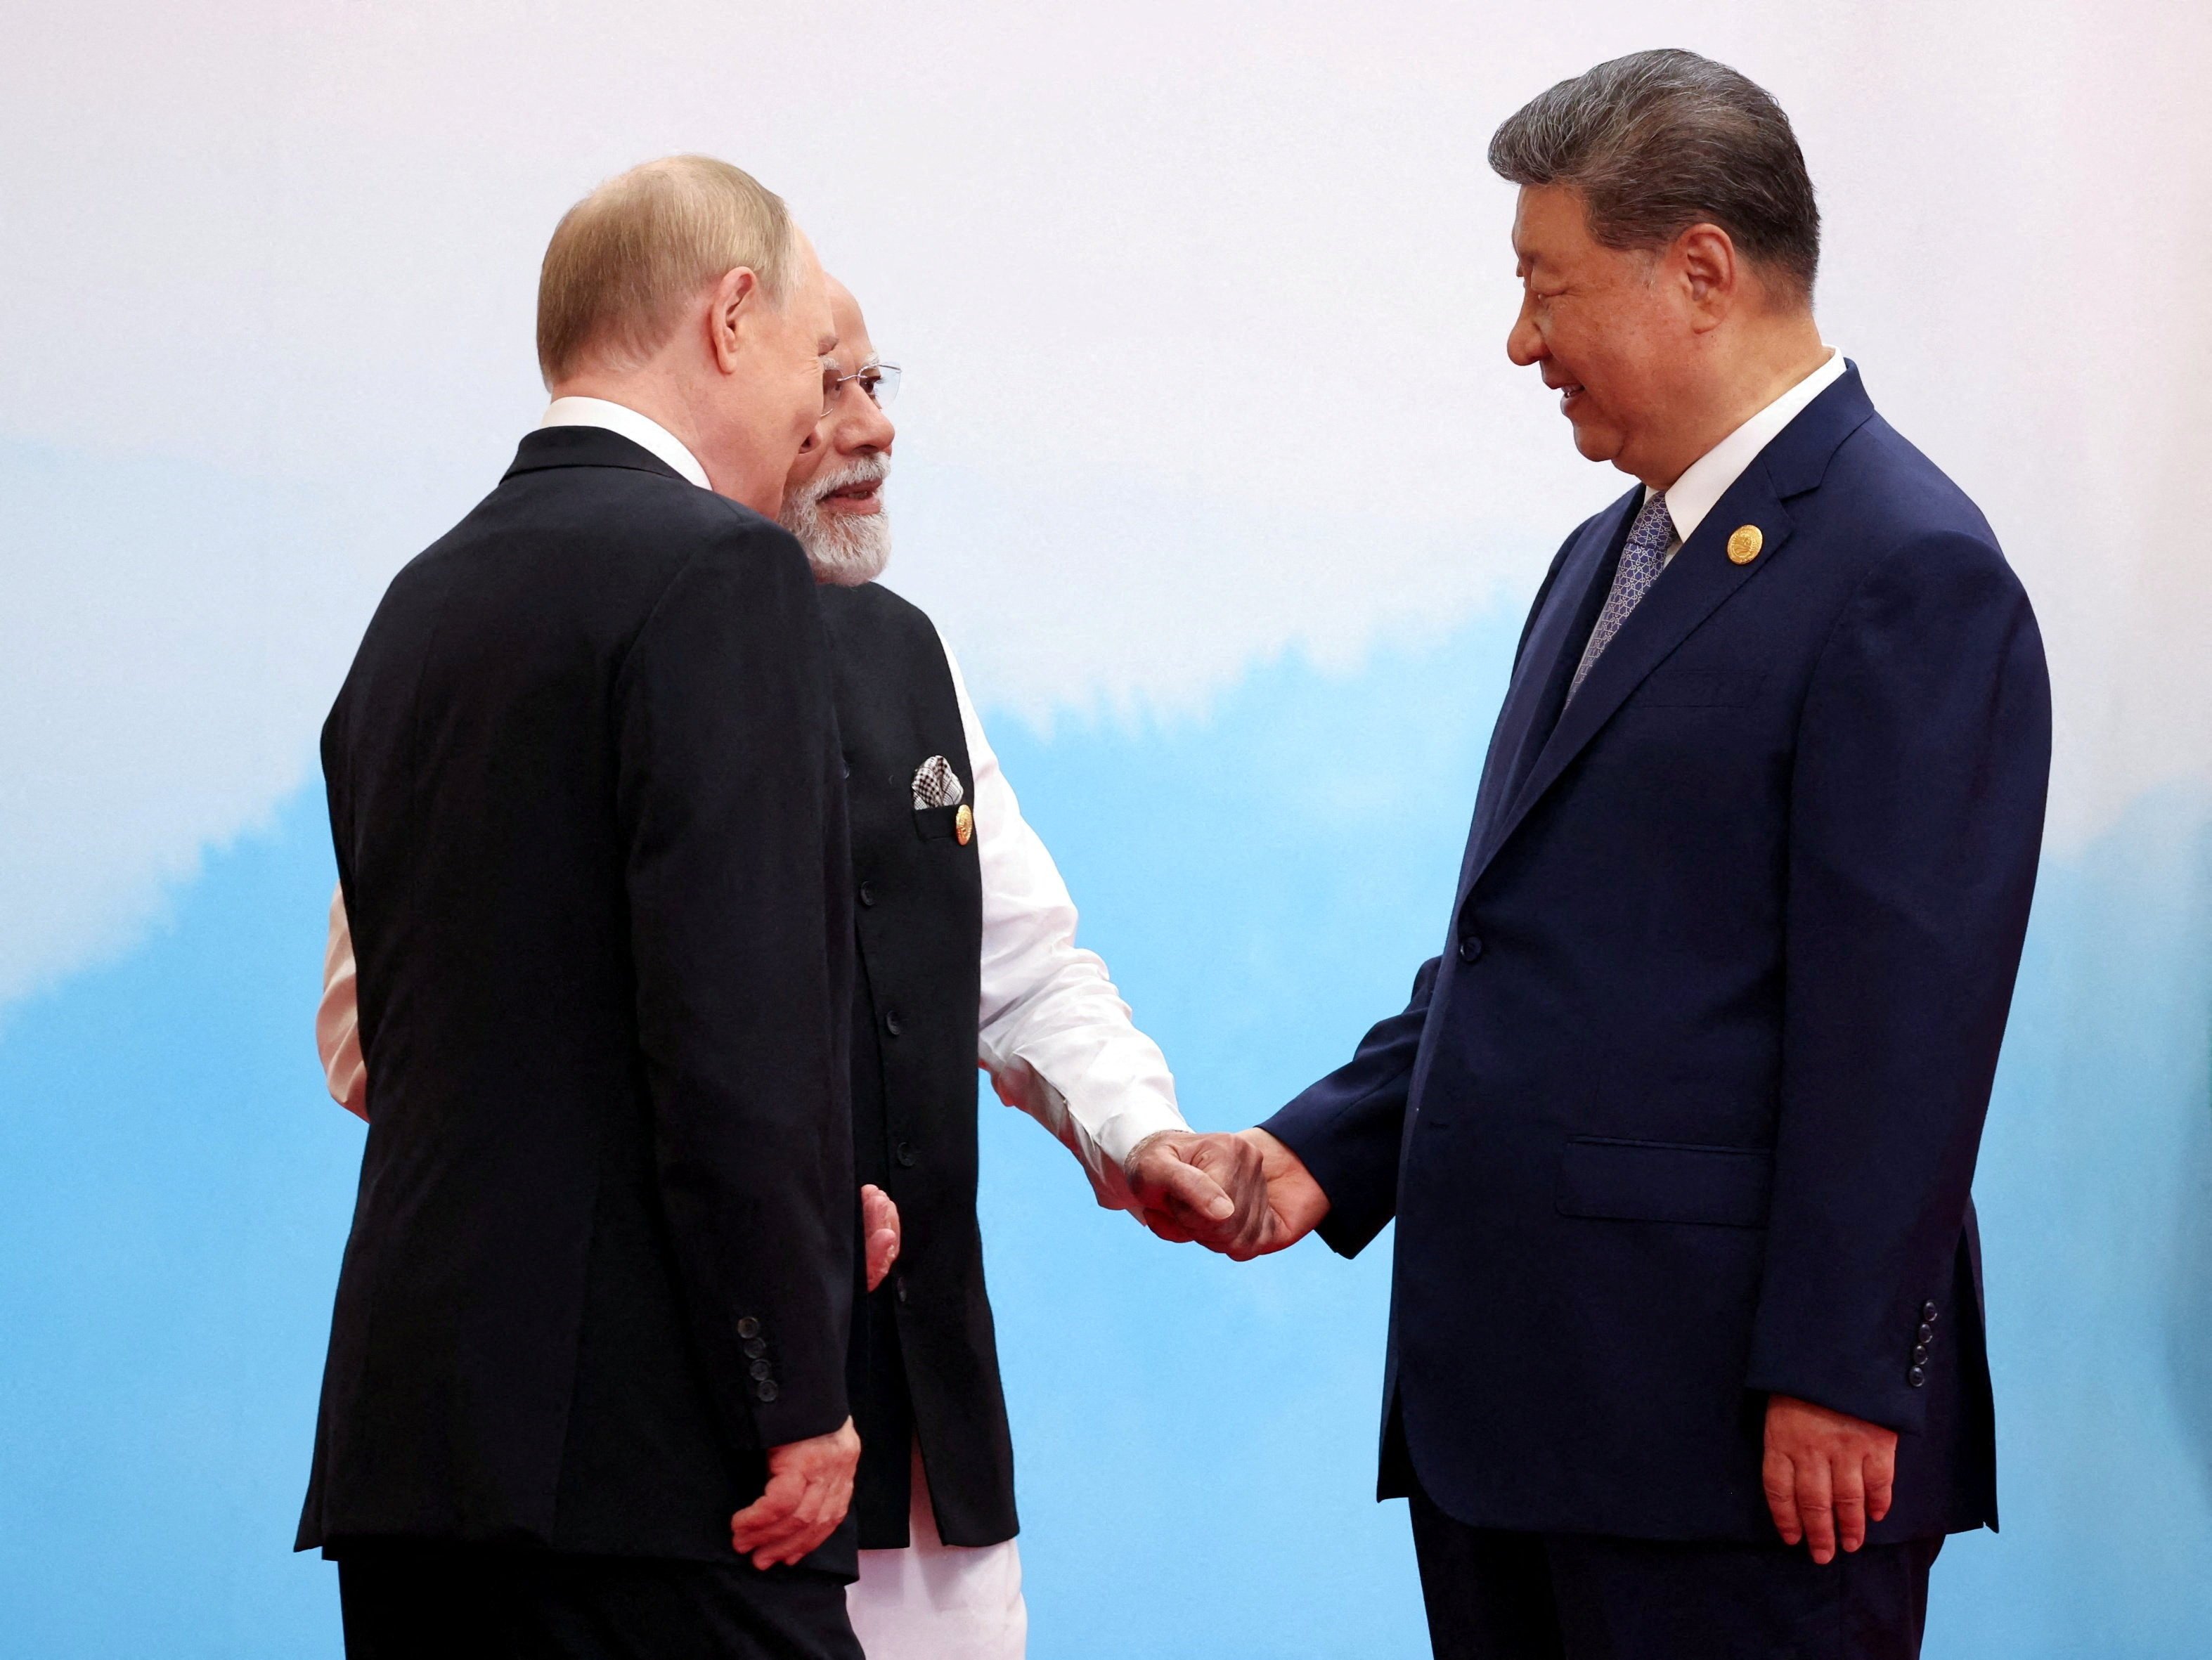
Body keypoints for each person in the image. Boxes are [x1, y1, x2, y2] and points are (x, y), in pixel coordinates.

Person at [1202, 51, 2052, 1659]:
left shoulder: (1907, 568)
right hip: (1527, 1431)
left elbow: (1906, 1028)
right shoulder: (1601, 558)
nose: (1519, 341)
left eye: (1544, 286)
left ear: (1701, 271)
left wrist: (1835, 1367)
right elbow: (1533, 950)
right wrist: (1322, 1152)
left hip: (1738, 1459)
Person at [316, 273, 1264, 1659]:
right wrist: (768, 1199)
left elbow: (1021, 966)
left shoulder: (905, 648)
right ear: (729, 372)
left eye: (883, 383)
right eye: (828, 384)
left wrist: (1140, 1129)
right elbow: (382, 1034)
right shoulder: (533, 631)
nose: (870, 425)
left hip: (913, 1440)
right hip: (672, 1448)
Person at [298, 155, 871, 1659]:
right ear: (729, 316)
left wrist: (818, 1201)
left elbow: (488, 1027)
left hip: (413, 1457)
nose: (823, 417)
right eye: (817, 364)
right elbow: (727, 1035)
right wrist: (793, 1385)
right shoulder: (723, 575)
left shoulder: (416, 604)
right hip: (655, 1474)